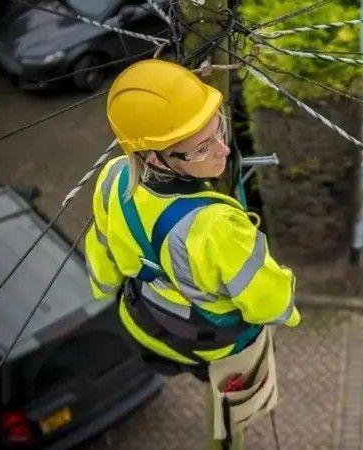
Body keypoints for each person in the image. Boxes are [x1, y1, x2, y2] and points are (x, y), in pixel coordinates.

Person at [84, 59, 299, 449]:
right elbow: (270, 303)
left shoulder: (112, 177)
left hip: (142, 322)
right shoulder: (217, 227)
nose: (223, 148)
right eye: (201, 147)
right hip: (209, 343)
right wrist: (289, 310)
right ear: (153, 156)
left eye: (218, 124)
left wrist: (103, 294)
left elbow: (102, 254)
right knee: (232, 407)